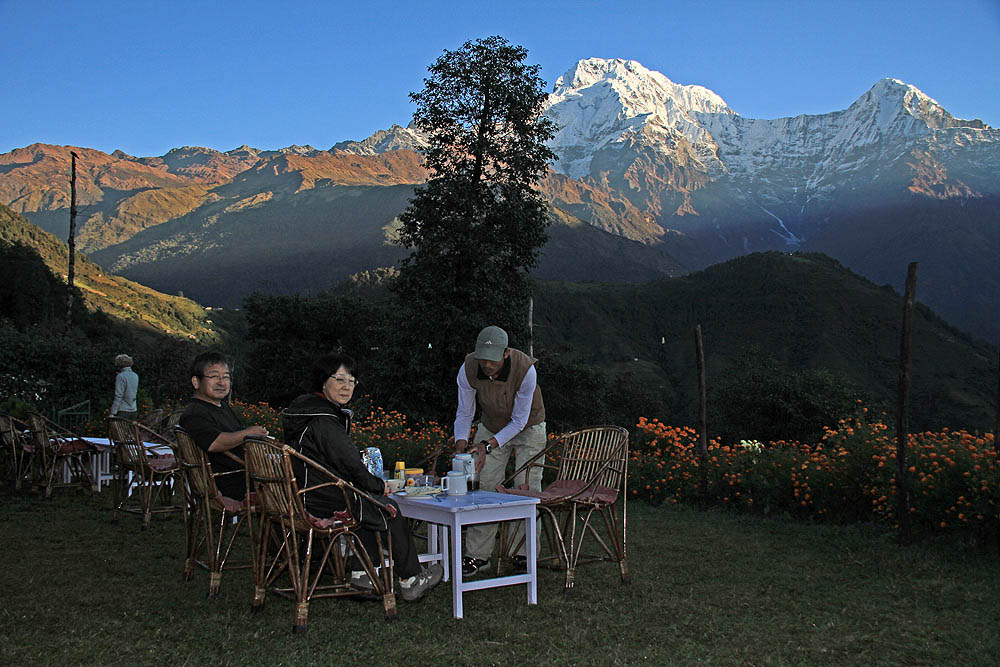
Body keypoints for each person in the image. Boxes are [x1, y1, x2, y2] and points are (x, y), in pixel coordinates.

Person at [282, 353, 443, 602]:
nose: (347, 387)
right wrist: (379, 486)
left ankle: (361, 575)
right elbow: (351, 465)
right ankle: (412, 578)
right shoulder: (323, 420)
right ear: (323, 381)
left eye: (352, 381)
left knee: (364, 500)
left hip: (303, 492)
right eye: (340, 379)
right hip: (320, 496)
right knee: (387, 507)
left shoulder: (303, 410)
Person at [454, 325, 546, 576]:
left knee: (526, 488)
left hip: (528, 427)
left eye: (492, 360)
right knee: (484, 485)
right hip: (491, 424)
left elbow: (518, 421)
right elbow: (464, 412)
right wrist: (462, 447)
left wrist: (487, 446)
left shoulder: (526, 370)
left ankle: (524, 554)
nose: (486, 364)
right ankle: (477, 556)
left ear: (506, 353)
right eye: (482, 359)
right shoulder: (468, 368)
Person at [178, 352, 267, 501]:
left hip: (246, 474)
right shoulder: (195, 413)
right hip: (232, 482)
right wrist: (248, 433)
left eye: (226, 377)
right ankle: (309, 521)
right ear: (196, 382)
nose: (221, 382)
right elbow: (214, 443)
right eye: (214, 377)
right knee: (300, 481)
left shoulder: (222, 407)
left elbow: (236, 437)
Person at [110, 354, 139, 420]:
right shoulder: (135, 375)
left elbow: (119, 396)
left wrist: (113, 412)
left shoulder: (121, 376)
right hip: (134, 410)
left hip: (123, 410)